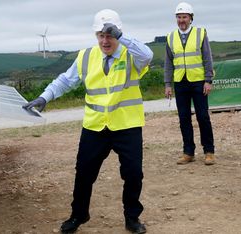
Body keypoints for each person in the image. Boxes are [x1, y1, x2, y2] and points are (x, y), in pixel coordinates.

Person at [23, 9, 153, 234]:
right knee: (84, 173)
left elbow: (148, 55)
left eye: (110, 35)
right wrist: (45, 96)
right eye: (100, 35)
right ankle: (78, 215)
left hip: (127, 125)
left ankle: (132, 218)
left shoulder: (131, 55)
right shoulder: (86, 56)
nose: (105, 40)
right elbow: (65, 80)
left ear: (118, 34)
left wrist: (122, 37)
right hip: (94, 127)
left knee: (133, 174)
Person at [164, 2, 215, 165]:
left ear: (191, 18)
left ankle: (209, 151)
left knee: (202, 116)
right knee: (183, 118)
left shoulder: (200, 33)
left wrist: (208, 80)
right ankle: (188, 152)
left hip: (199, 82)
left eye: (184, 17)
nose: (181, 20)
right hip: (180, 82)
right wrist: (167, 84)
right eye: (178, 17)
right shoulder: (170, 37)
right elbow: (168, 63)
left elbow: (207, 57)